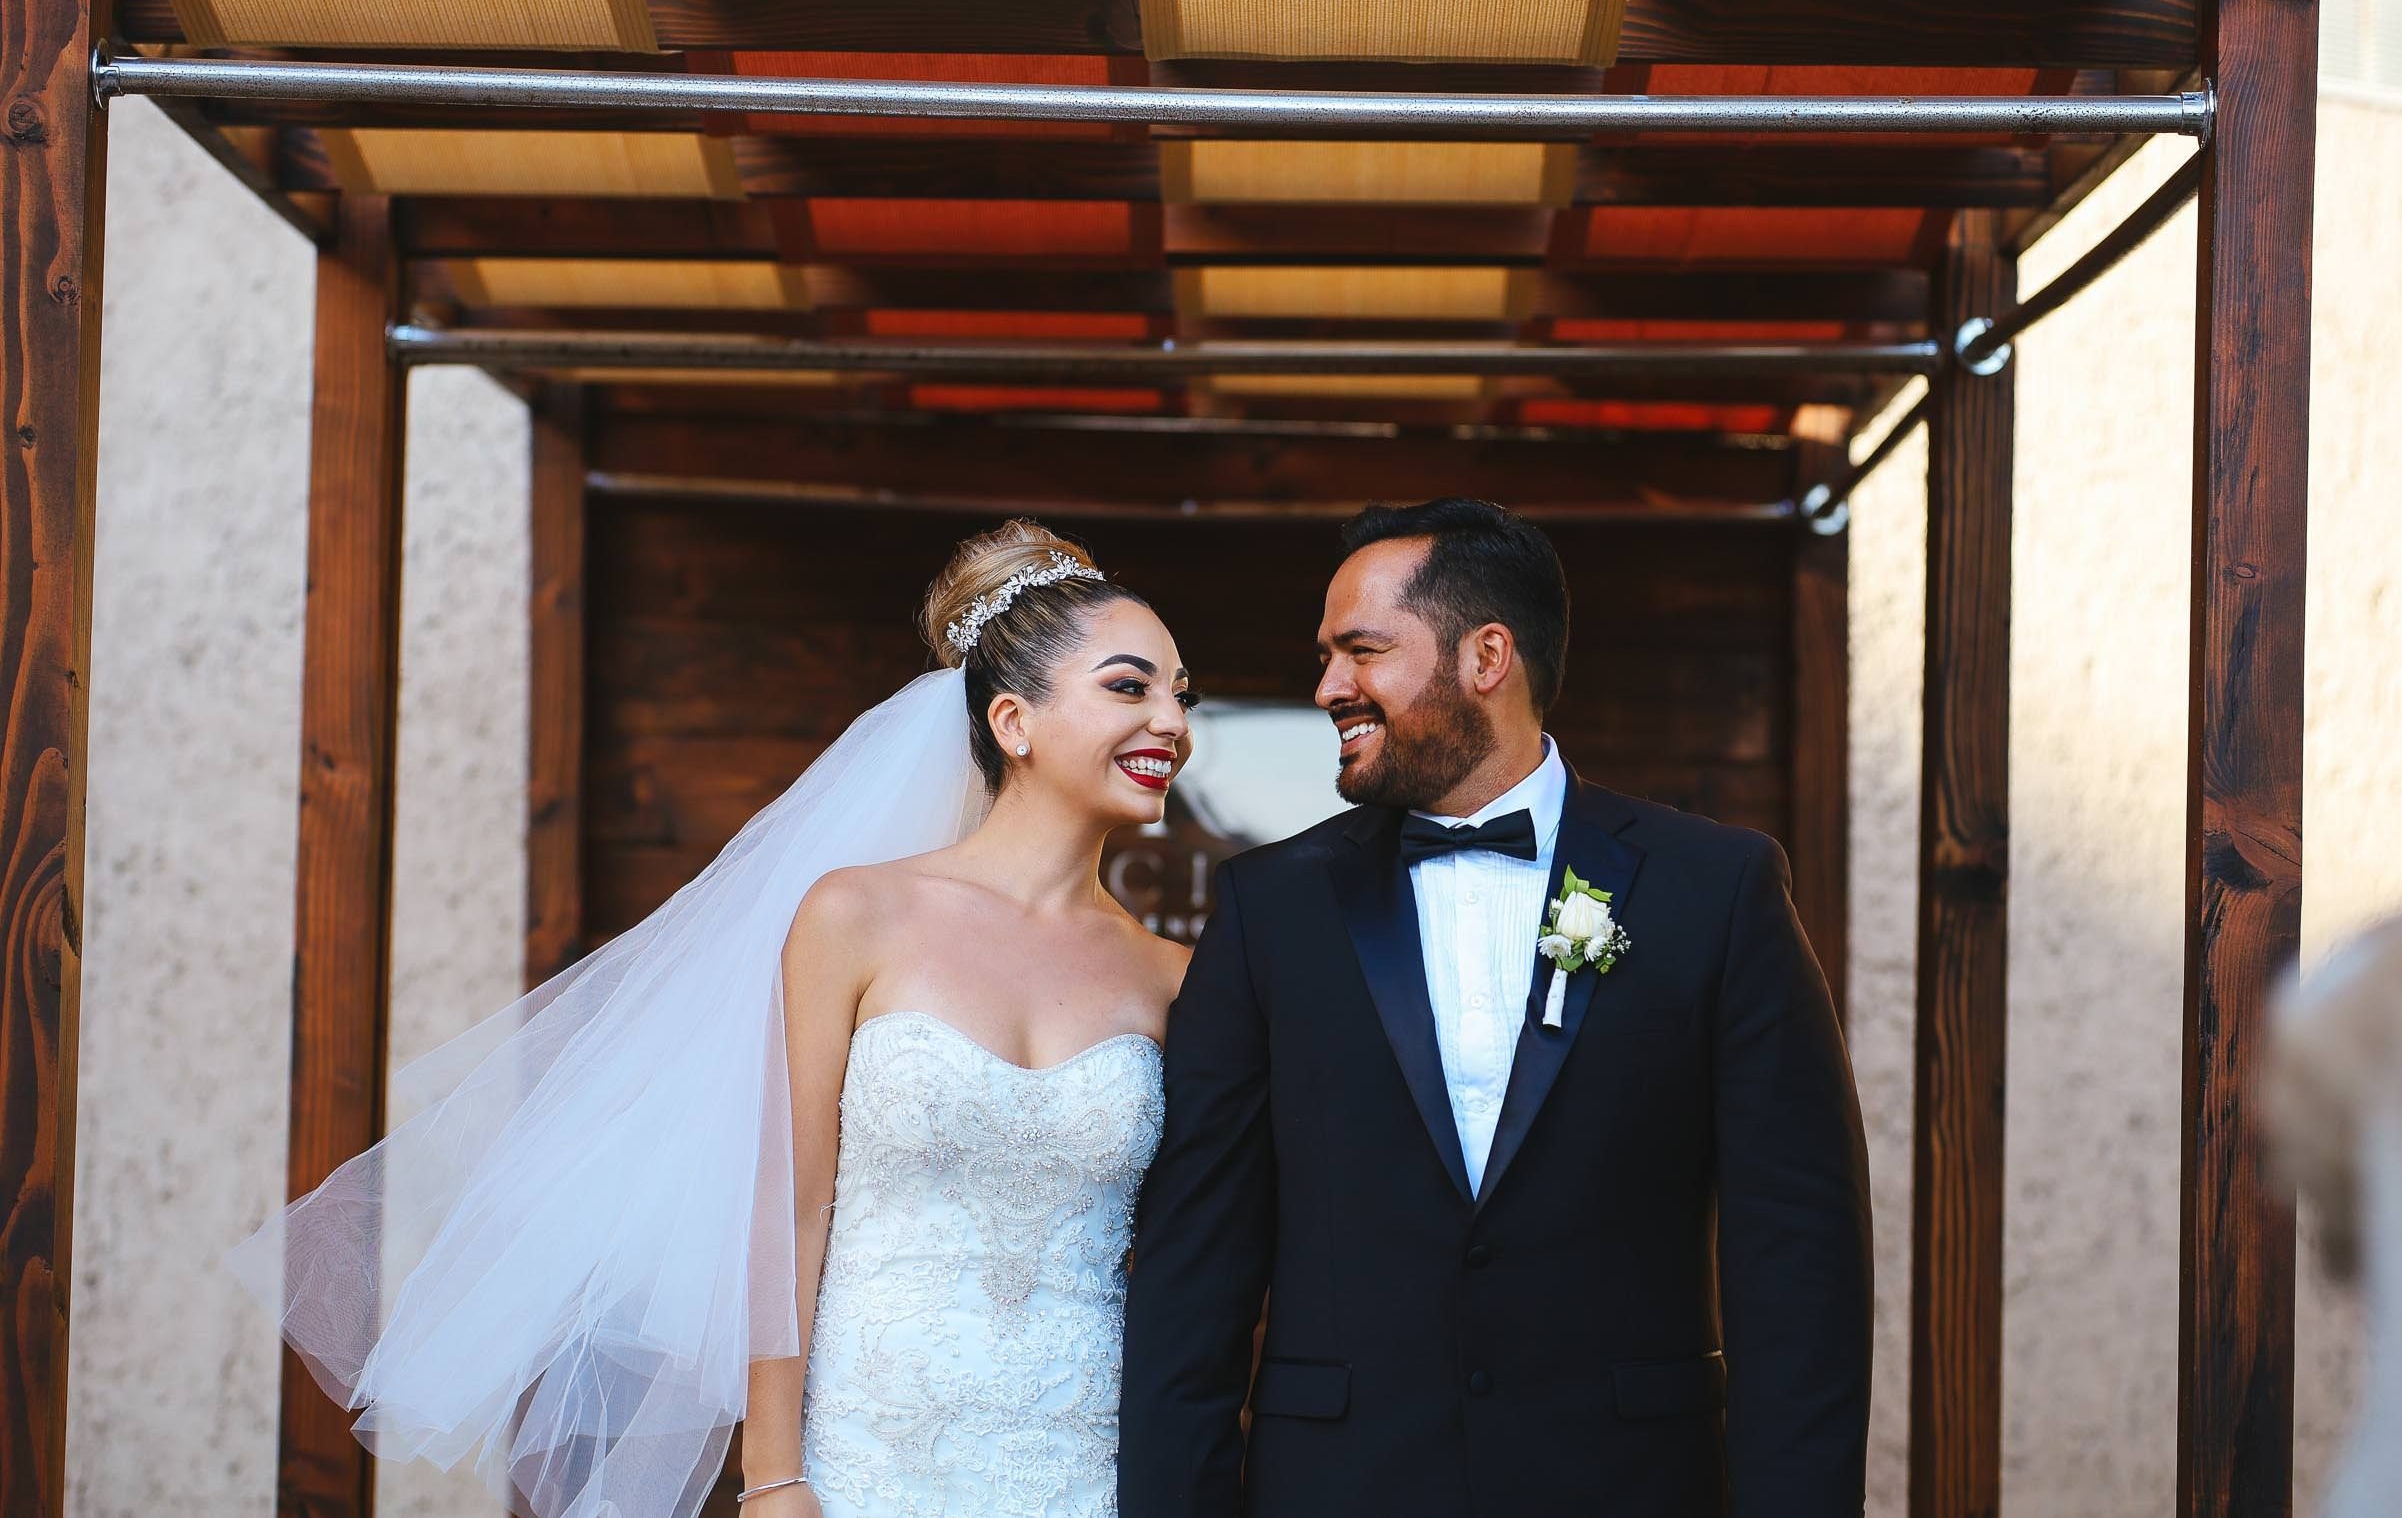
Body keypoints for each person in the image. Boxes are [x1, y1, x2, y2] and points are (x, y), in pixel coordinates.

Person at [229, 520, 1193, 1518]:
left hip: (1085, 1457)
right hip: (869, 1454)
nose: (1171, 720)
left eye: (1180, 693)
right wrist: (774, 1473)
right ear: (1011, 720)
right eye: (1130, 686)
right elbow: (789, 1206)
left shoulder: (1172, 976)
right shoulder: (855, 915)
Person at [1119, 497, 1874, 1518]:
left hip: (1629, 1486)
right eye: (1327, 655)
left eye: (1361, 650)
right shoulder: (1271, 910)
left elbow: (1799, 1259)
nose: (1327, 686)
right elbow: (1194, 1270)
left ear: (1486, 655)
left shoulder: (1716, 888)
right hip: (1340, 1488)